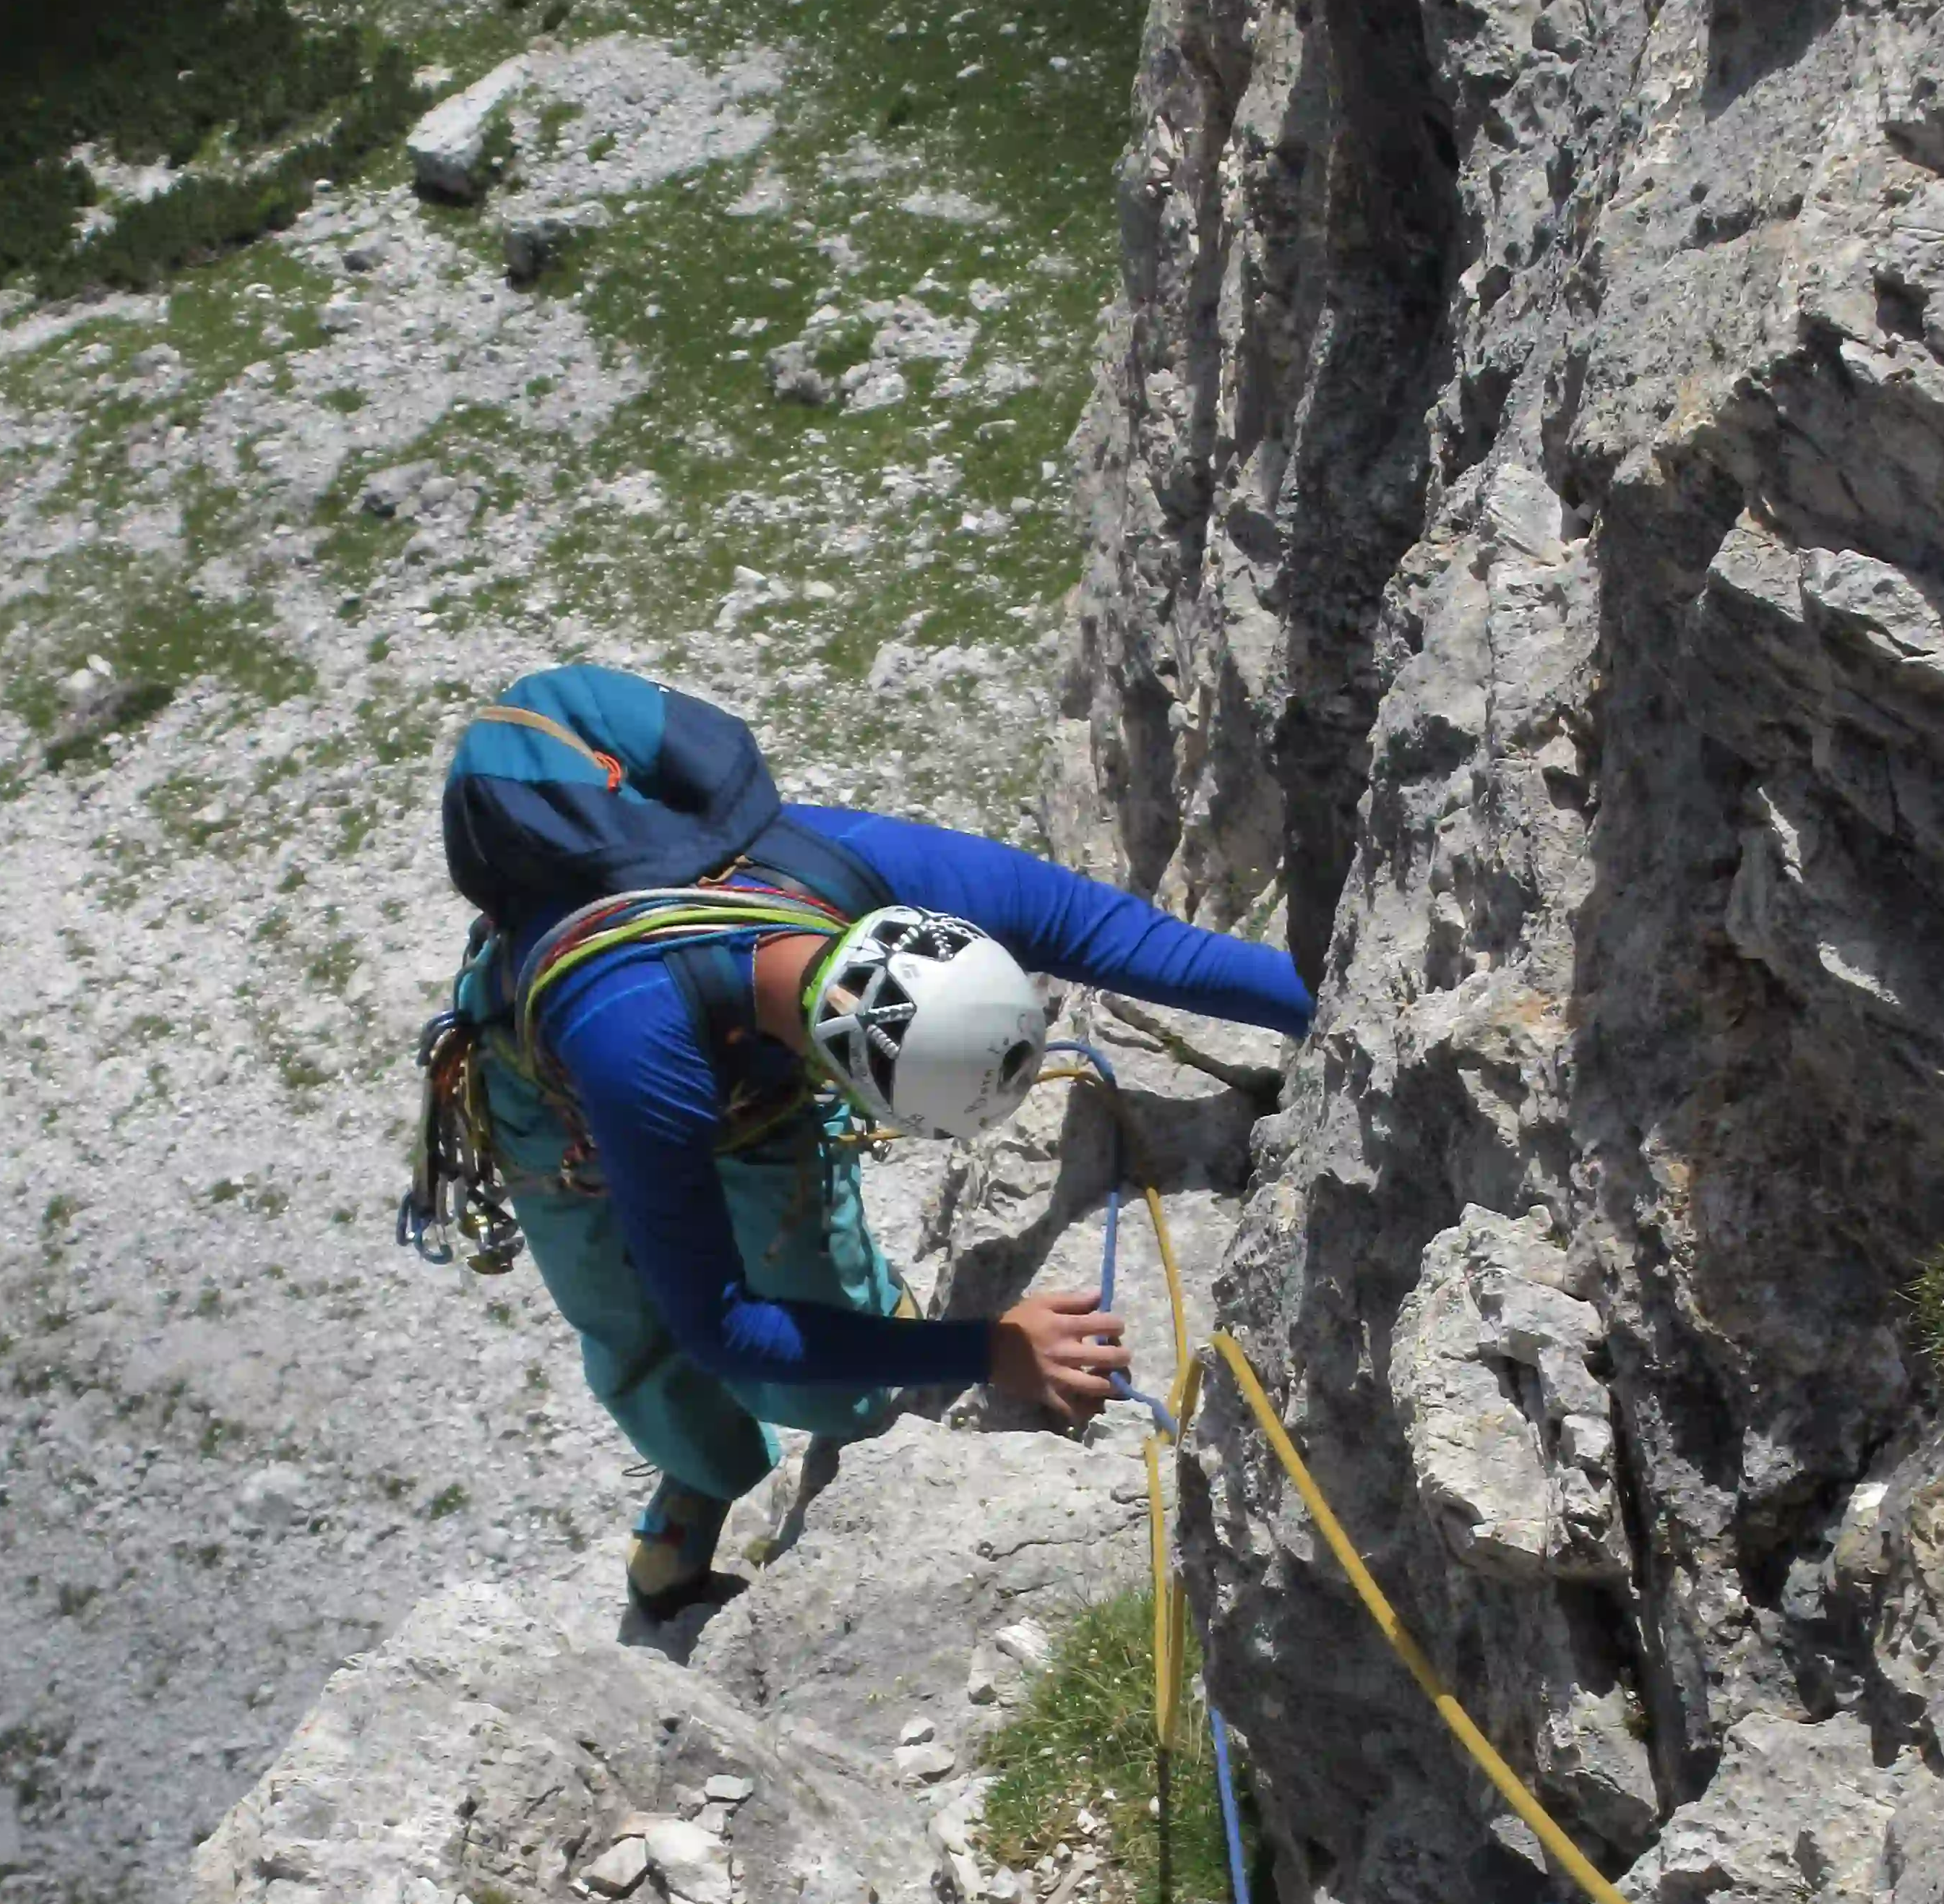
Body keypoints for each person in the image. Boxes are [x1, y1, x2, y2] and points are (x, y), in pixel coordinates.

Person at [435, 681, 1314, 1618]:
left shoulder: (881, 868)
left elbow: (1126, 939)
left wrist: (1332, 1015)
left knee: (830, 1387)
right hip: (560, 1104)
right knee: (633, 1325)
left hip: (730, 1060)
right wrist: (988, 1349)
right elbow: (715, 1323)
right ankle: (701, 1471)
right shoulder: (628, 1039)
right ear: (842, 1074)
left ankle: (824, 1401)